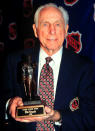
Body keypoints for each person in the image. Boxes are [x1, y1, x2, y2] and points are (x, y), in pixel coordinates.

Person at [2, 3, 95, 131]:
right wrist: (9, 104)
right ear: (35, 30)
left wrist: (58, 116)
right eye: (45, 24)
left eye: (57, 24)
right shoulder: (14, 61)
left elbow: (90, 117)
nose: (52, 30)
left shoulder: (85, 68)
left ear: (66, 29)